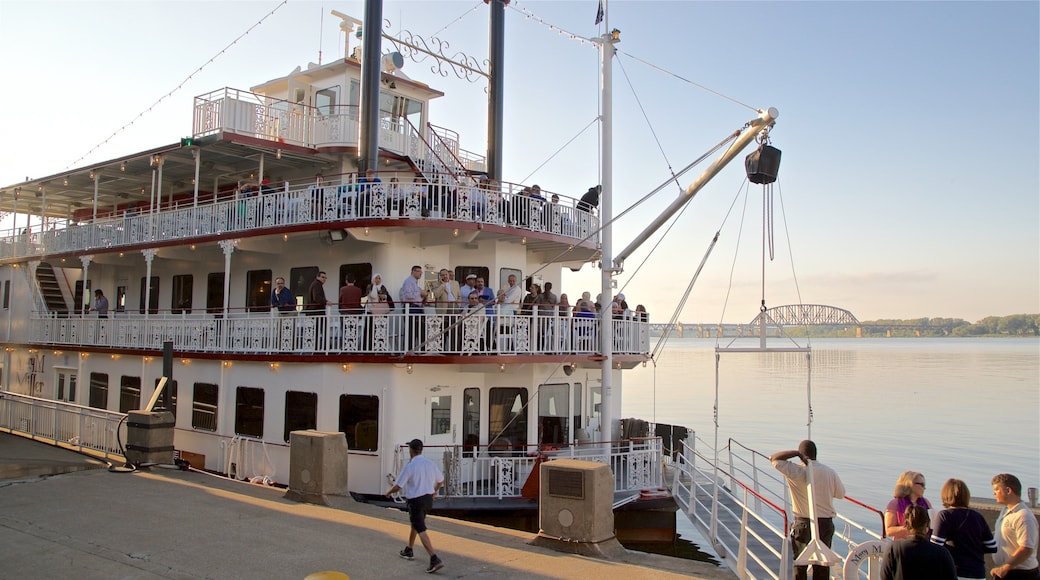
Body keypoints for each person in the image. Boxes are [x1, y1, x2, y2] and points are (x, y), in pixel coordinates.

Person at [770, 440, 846, 580]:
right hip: (825, 523)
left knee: (800, 563)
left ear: (801, 456)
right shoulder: (829, 472)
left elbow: (774, 458)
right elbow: (840, 494)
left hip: (803, 522)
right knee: (822, 564)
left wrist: (796, 453)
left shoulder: (796, 471)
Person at [386, 439, 445, 574]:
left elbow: (398, 486)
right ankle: (409, 549)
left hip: (416, 501)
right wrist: (435, 491)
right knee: (416, 523)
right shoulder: (430, 463)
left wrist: (389, 492)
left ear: (411, 450)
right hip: (428, 500)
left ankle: (434, 558)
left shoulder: (410, 466)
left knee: (420, 528)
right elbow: (441, 480)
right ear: (421, 450)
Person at [929, 478, 997, 579]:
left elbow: (935, 547)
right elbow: (992, 547)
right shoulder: (978, 516)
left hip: (956, 572)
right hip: (978, 573)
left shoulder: (944, 515)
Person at [881, 505, 957, 580]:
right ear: (927, 526)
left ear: (906, 526)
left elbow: (884, 577)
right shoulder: (942, 553)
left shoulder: (893, 549)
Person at [991, 473, 1039, 579]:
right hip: (1005, 571)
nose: (994, 493)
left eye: (997, 489)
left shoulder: (1024, 516)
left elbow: (1026, 548)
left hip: (1020, 574)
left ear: (1008, 491)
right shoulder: (1005, 511)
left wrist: (1006, 567)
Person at [886, 471, 933, 539]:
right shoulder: (894, 504)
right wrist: (912, 528)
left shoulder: (926, 502)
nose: (924, 488)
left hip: (923, 543)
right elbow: (889, 531)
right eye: (922, 484)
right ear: (910, 484)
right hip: (903, 545)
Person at [399, 265, 428, 351]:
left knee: (419, 329)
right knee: (411, 329)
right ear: (413, 271)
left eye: (421, 272)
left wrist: (423, 296)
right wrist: (420, 293)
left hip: (416, 308)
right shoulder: (409, 281)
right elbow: (408, 296)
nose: (421, 273)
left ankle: (420, 350)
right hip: (411, 308)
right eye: (419, 271)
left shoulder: (414, 283)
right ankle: (409, 350)